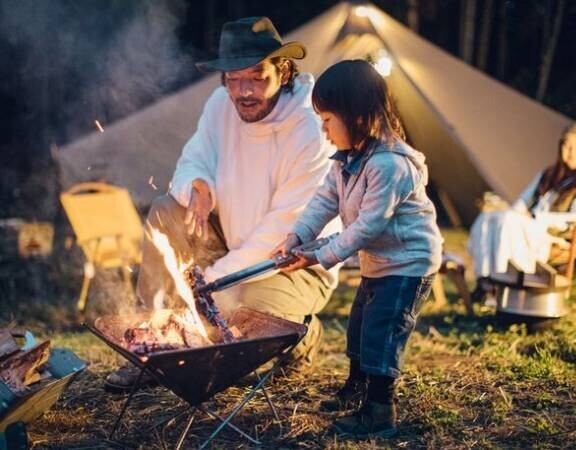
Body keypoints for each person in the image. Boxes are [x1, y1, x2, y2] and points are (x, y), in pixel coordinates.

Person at [104, 17, 340, 392]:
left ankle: (303, 333)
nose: (244, 91)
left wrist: (207, 288)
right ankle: (154, 346)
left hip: (292, 263)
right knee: (167, 209)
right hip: (230, 245)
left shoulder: (309, 128)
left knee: (241, 319)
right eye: (233, 79)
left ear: (282, 70)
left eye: (256, 77)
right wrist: (197, 185)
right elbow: (192, 159)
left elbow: (285, 229)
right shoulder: (220, 105)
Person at [271, 60, 443, 439]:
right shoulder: (347, 160)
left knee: (381, 332)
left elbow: (366, 227)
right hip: (380, 262)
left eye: (328, 119)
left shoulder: (390, 166)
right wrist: (299, 235)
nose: (324, 129)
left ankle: (380, 411)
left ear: (359, 116)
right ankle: (357, 387)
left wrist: (317, 255)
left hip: (408, 265)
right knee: (359, 328)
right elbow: (324, 200)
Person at [468, 122, 576, 299]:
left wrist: (535, 217)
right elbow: (522, 201)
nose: (572, 151)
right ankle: (485, 279)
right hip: (531, 226)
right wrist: (513, 213)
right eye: (567, 144)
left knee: (509, 222)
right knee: (489, 217)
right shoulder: (549, 174)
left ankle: (504, 284)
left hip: (558, 235)